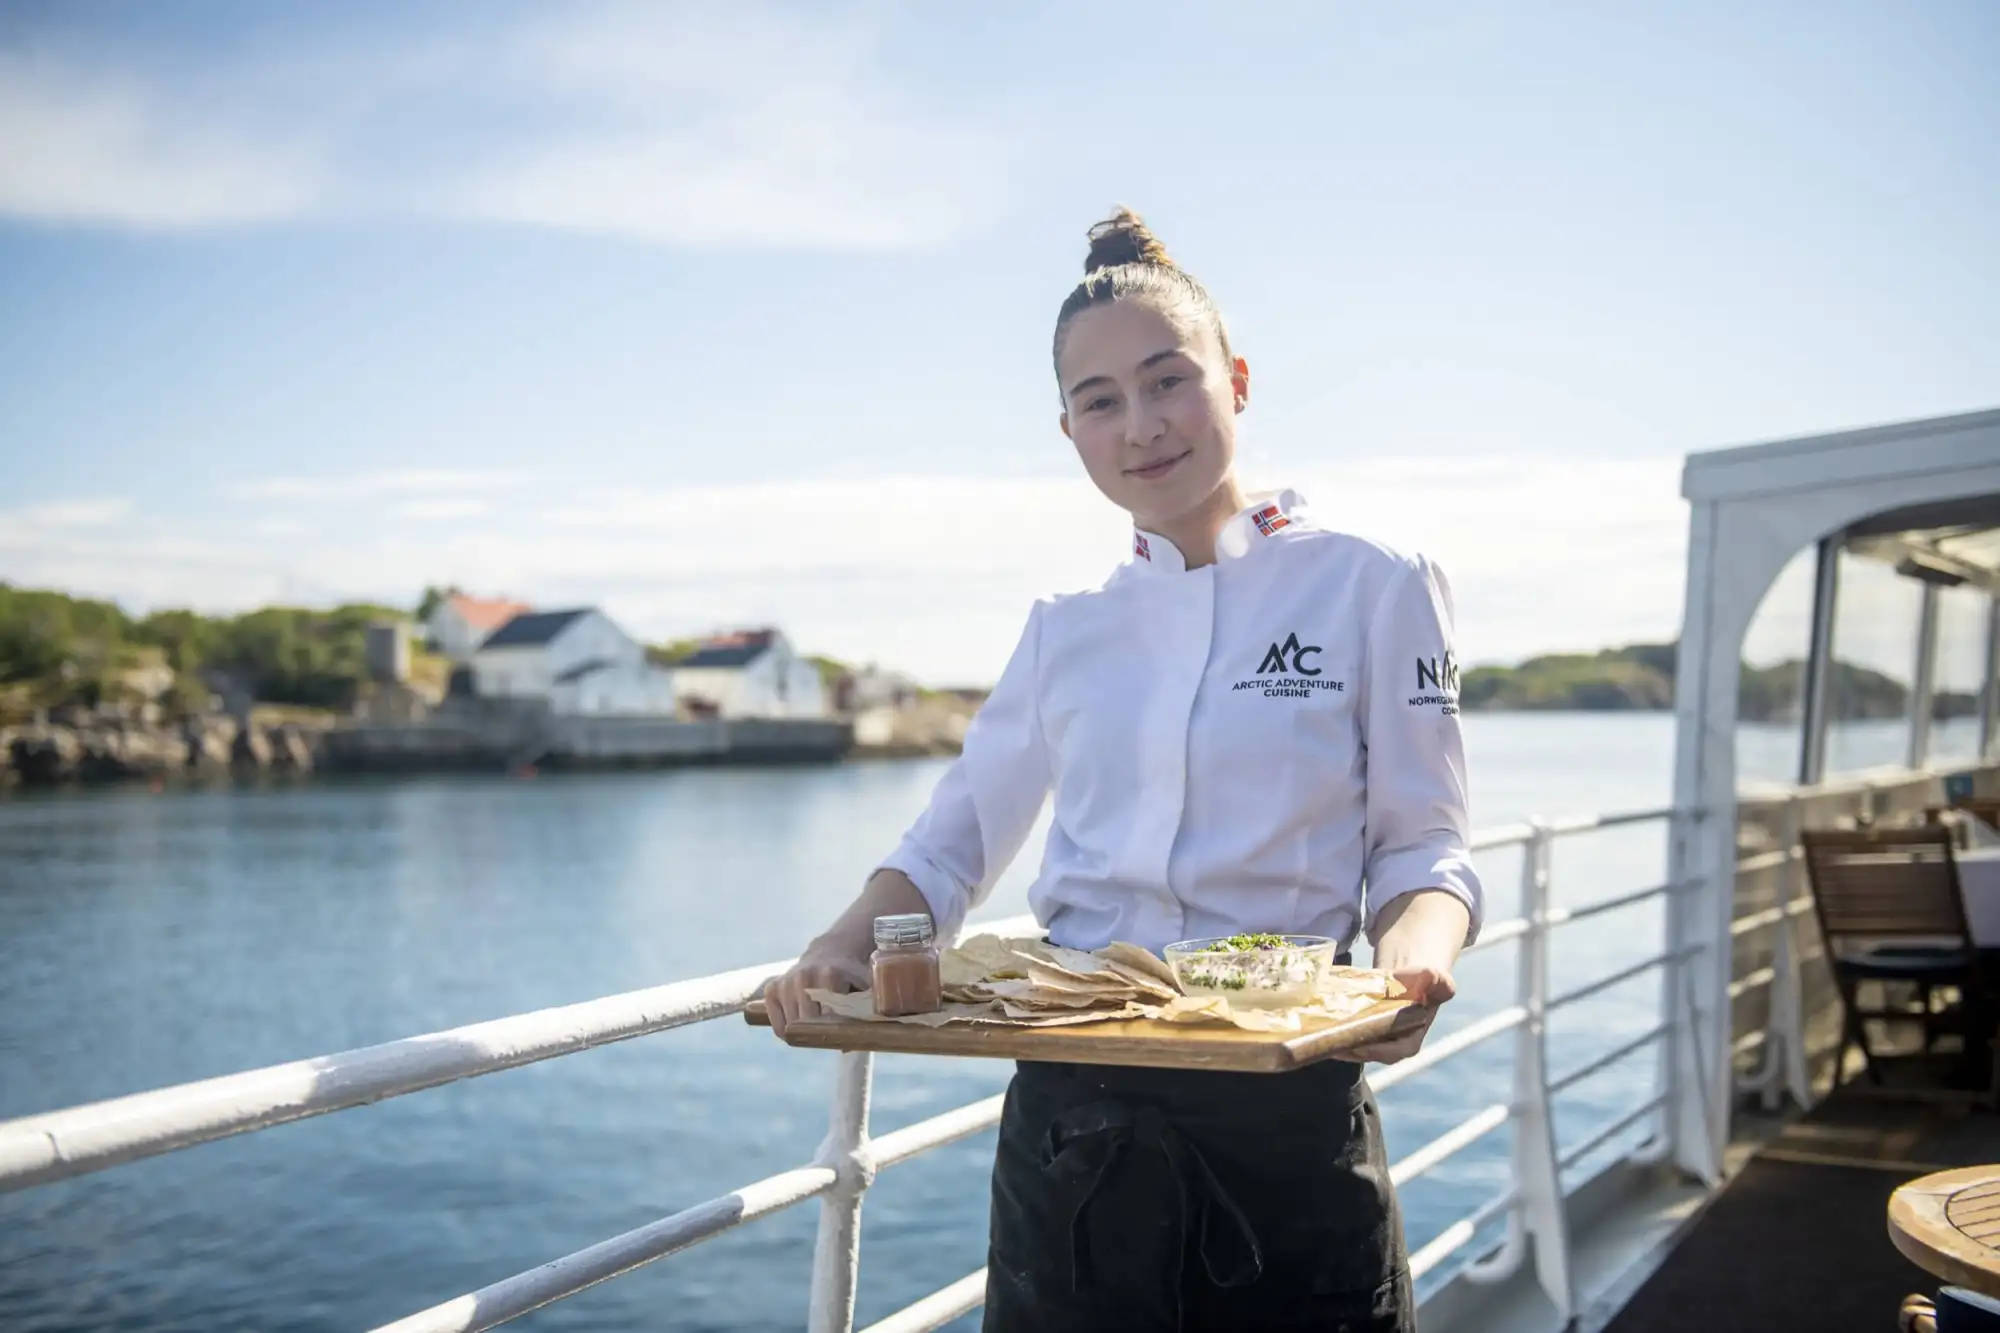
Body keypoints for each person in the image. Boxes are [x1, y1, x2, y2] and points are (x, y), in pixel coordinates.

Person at [764, 208, 1482, 1333]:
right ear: (1069, 430)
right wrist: (835, 948)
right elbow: (951, 843)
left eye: (1167, 382)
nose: (1139, 426)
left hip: (1283, 1108)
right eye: (1099, 401)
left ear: (1235, 381)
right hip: (1070, 1133)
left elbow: (1423, 848)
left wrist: (1410, 966)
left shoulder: (1373, 580)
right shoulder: (1065, 628)